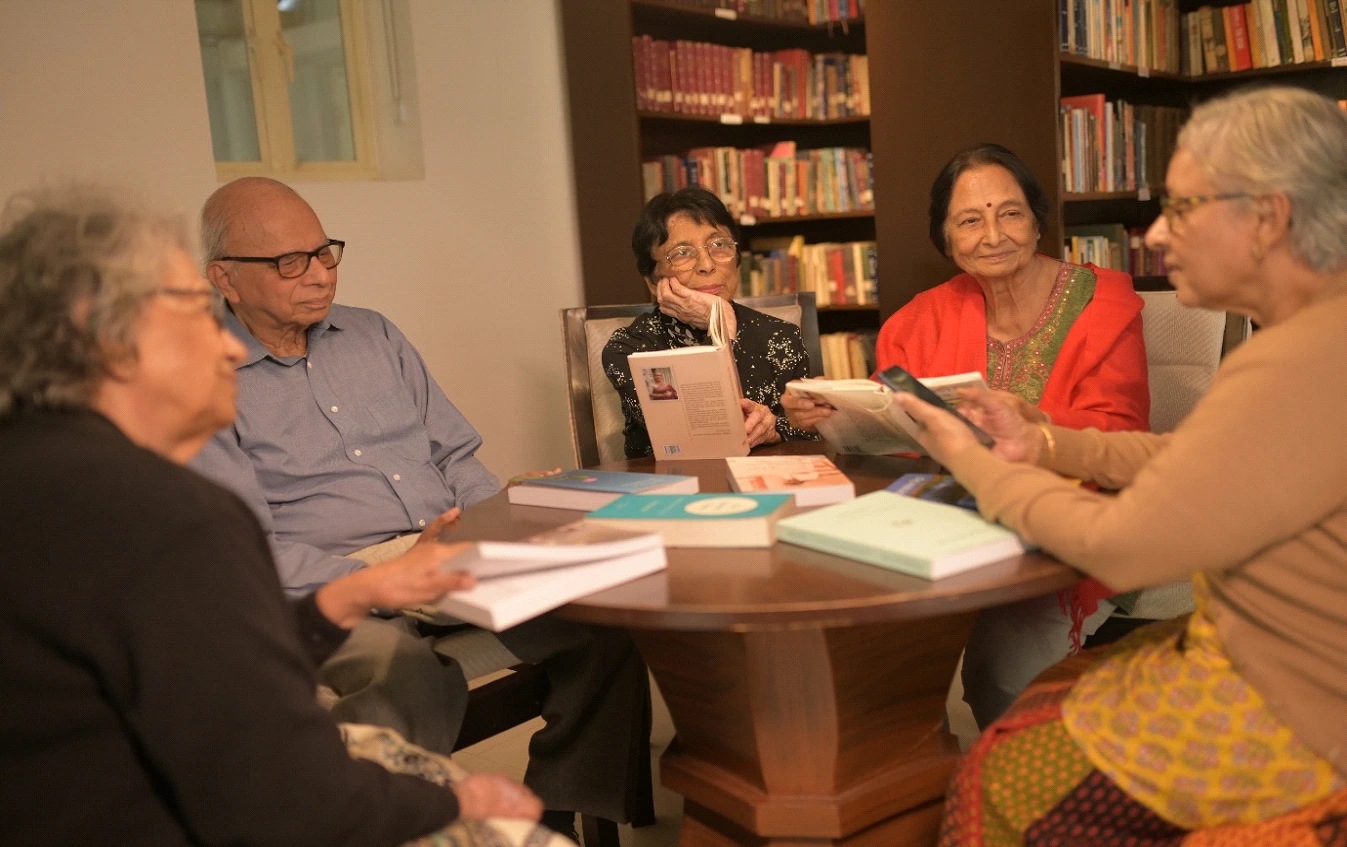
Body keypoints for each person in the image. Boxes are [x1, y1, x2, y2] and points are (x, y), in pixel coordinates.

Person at [0, 186, 558, 846]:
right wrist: (452, 802)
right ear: (105, 330)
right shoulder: (164, 513)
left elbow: (200, 658)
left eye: (324, 254)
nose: (231, 350)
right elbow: (281, 790)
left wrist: (349, 594)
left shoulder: (39, 470)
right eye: (193, 313)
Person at [896, 86, 1347, 845]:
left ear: (1265, 219)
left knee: (999, 774)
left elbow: (1119, 545)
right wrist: (1042, 443)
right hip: (1281, 663)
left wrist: (975, 463)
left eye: (1182, 206)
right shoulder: (1309, 337)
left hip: (1293, 707)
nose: (1160, 233)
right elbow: (1197, 457)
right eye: (967, 219)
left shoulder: (1294, 360)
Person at [189, 177, 652, 838]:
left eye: (325, 252)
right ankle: (395, 828)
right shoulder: (205, 375)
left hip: (452, 551)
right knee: (401, 672)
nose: (319, 274)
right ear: (225, 278)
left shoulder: (373, 334)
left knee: (604, 631)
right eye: (291, 262)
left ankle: (549, 816)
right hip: (338, 581)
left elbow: (455, 455)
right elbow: (248, 545)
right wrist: (380, 574)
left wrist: (499, 517)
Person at [786, 144, 1153, 730]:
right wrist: (831, 412)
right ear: (947, 238)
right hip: (946, 521)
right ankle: (902, 789)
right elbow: (895, 430)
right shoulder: (919, 318)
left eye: (1009, 213)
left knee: (1002, 671)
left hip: (1061, 530)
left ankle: (1014, 795)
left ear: (1037, 220)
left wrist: (1035, 424)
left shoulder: (1101, 304)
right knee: (867, 654)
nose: (993, 235)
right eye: (970, 220)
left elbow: (1122, 434)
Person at [603, 185, 818, 458]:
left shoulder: (781, 336)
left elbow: (808, 431)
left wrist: (775, 429)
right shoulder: (632, 349)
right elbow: (700, 431)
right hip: (672, 486)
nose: (706, 264)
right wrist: (720, 327)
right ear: (653, 281)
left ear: (737, 259)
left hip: (766, 485)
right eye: (682, 252)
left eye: (719, 245)